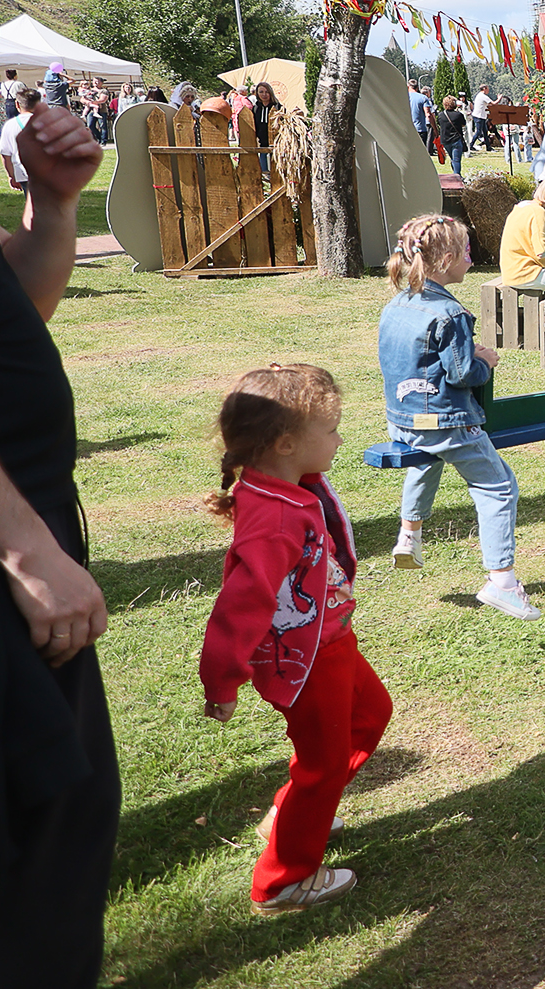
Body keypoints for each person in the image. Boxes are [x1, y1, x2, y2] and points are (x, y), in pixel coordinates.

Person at [0, 0, 118, 987]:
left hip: (6, 543)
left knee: (61, 817)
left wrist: (53, 210)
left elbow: (11, 314)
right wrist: (24, 548)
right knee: (15, 865)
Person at [199, 364, 391, 915]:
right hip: (306, 661)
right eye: (331, 430)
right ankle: (282, 881)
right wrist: (222, 680)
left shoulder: (283, 484)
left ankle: (291, 814)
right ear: (285, 444)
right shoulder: (275, 520)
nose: (339, 440)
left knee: (370, 715)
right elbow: (239, 606)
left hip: (332, 642)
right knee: (323, 764)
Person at [378, 214, 541, 620]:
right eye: (467, 252)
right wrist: (485, 360)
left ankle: (409, 535)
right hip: (446, 423)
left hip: (403, 421)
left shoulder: (396, 304)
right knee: (498, 487)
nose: (472, 258)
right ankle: (502, 581)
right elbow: (463, 374)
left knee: (426, 460)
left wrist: (468, 354)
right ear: (447, 259)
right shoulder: (451, 314)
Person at [500, 174, 545, 292]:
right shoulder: (538, 212)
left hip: (513, 271)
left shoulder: (523, 206)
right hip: (526, 273)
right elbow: (543, 252)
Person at [0, 88, 39, 191]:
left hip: (23, 172)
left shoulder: (10, 125)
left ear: (17, 104)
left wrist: (11, 176)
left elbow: (5, 154)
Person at [436, 97, 468, 177]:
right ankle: (457, 176)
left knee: (452, 158)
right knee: (456, 160)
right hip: (456, 139)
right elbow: (463, 124)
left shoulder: (441, 115)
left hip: (445, 140)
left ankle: (455, 175)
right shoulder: (458, 115)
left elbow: (439, 124)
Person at [408, 82, 434, 153]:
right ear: (417, 88)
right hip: (420, 129)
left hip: (408, 129)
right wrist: (435, 128)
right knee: (421, 152)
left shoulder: (404, 98)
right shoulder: (423, 98)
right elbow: (428, 115)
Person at [470, 84, 492, 151]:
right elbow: (493, 103)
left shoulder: (479, 95)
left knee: (485, 132)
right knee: (478, 132)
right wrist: (499, 98)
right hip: (478, 116)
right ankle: (471, 145)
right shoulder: (482, 96)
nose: (488, 90)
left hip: (481, 116)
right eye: (487, 89)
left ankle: (488, 147)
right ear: (484, 89)